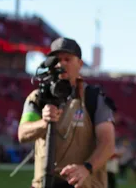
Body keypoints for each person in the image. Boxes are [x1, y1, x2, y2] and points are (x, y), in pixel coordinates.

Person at [18, 37, 116, 188]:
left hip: (82, 183)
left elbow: (107, 143)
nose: (61, 64)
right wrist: (44, 123)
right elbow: (23, 133)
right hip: (44, 183)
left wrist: (86, 168)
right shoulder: (38, 97)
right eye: (57, 59)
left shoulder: (94, 98)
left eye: (67, 59)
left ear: (80, 64)